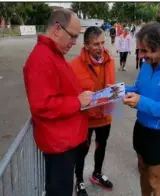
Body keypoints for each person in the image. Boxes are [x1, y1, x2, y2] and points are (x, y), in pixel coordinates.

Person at [23, 8, 93, 196]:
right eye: (73, 36)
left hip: (65, 141)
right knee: (59, 191)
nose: (74, 43)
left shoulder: (53, 53)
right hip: (58, 145)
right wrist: (78, 102)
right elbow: (42, 106)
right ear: (57, 29)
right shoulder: (41, 59)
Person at [123, 22, 160, 196]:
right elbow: (138, 88)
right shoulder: (146, 63)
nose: (141, 55)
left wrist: (141, 102)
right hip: (141, 127)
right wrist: (118, 90)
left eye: (145, 51)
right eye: (139, 50)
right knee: (143, 171)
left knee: (155, 180)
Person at [70, 26, 115, 196]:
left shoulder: (110, 61)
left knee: (101, 147)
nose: (101, 47)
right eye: (96, 44)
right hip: (86, 119)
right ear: (86, 45)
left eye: (103, 42)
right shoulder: (74, 66)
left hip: (105, 117)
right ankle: (79, 180)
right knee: (82, 151)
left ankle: (97, 173)